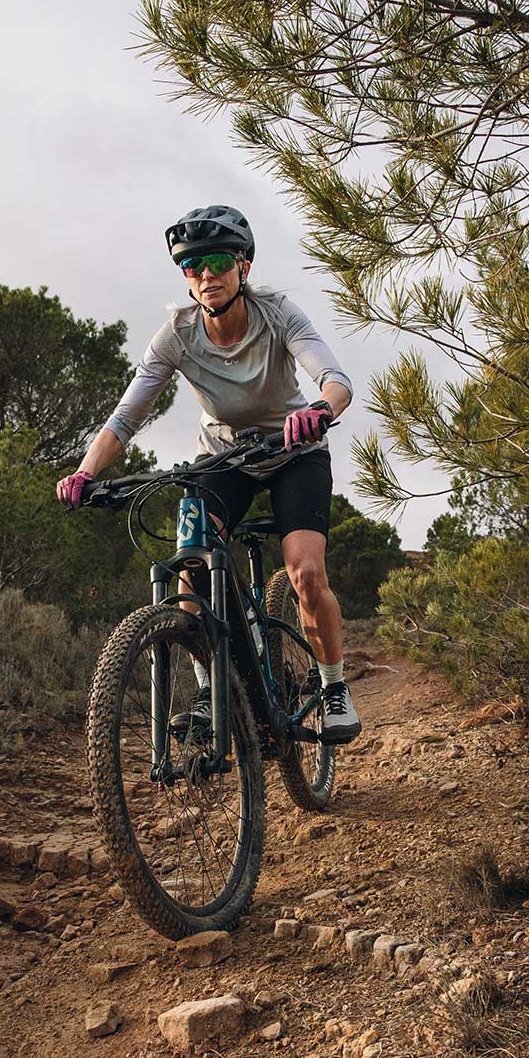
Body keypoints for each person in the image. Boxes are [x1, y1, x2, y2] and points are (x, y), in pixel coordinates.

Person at [56, 204, 363, 743]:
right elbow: (124, 419)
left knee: (305, 572)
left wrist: (319, 410)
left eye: (218, 262)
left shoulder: (278, 315)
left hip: (294, 451)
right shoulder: (175, 335)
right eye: (192, 266)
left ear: (243, 265)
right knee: (192, 568)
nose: (206, 275)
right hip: (223, 457)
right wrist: (85, 472)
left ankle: (334, 685)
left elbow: (337, 381)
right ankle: (208, 690)